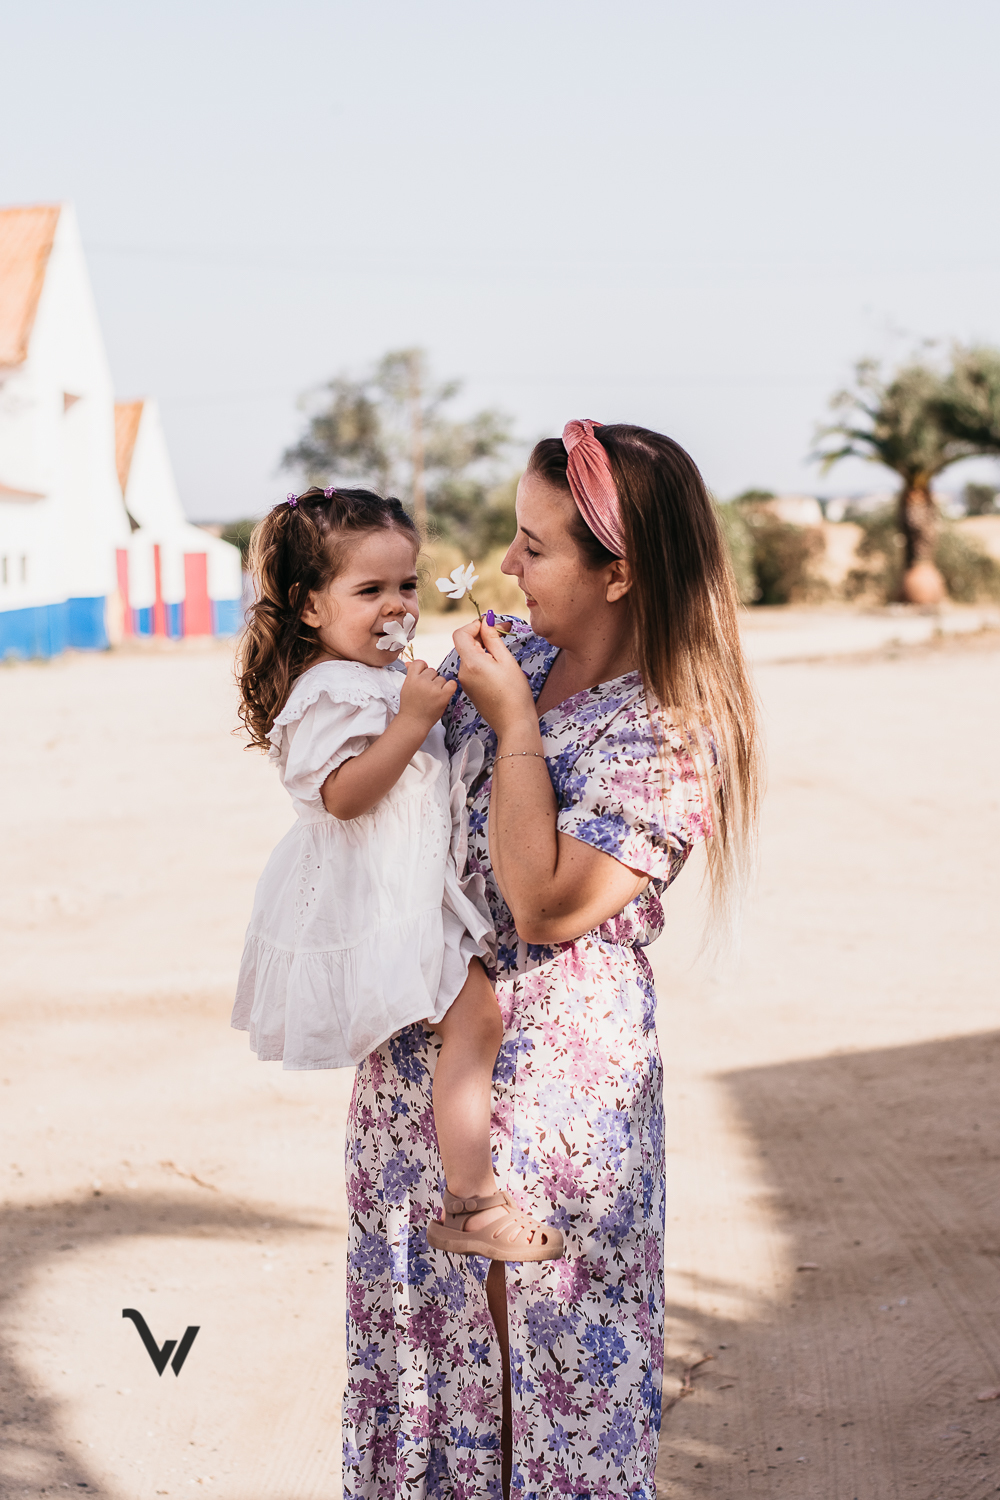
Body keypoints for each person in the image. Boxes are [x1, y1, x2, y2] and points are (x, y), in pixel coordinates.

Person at [342, 422, 761, 1500]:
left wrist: (514, 723)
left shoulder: (672, 728)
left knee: (545, 1379)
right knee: (427, 1372)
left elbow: (547, 902)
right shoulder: (512, 656)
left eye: (534, 546)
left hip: (556, 1102)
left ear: (619, 572)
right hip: (417, 1072)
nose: (506, 564)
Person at [232, 486, 563, 1263]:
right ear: (310, 606)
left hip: (408, 885)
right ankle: (473, 1202)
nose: (397, 606)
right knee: (476, 1023)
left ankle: (472, 1196)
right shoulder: (329, 690)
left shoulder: (375, 676)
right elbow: (343, 797)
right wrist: (414, 719)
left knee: (476, 1024)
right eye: (369, 590)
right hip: (381, 897)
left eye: (407, 584)